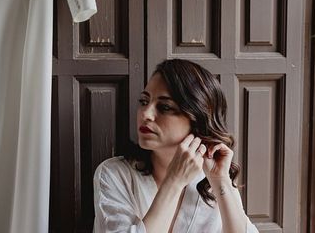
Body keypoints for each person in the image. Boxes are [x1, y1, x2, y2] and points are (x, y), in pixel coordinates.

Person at [93, 59, 259, 232]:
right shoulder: (113, 174)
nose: (146, 114)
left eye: (164, 107)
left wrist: (221, 181)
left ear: (197, 119)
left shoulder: (212, 180)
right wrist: (174, 181)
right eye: (143, 101)